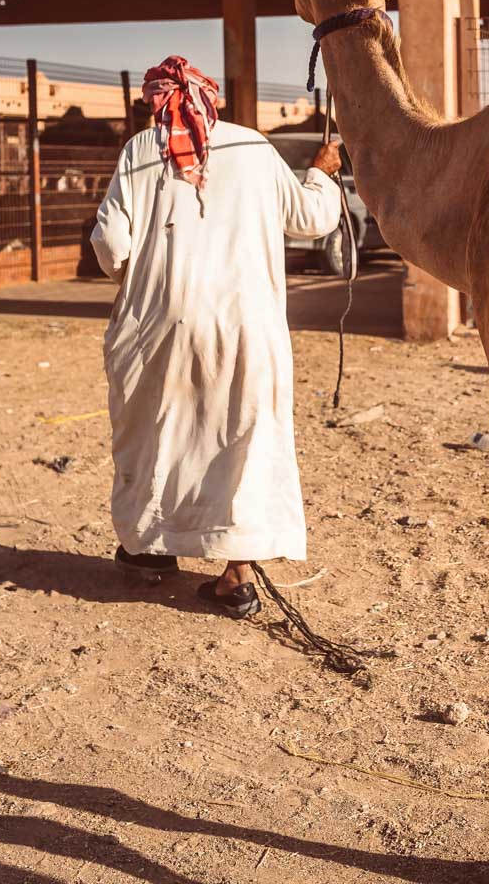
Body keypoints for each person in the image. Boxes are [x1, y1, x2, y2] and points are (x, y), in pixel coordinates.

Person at [91, 56, 341, 618]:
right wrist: (321, 172)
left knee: (157, 434)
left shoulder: (141, 149)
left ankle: (148, 551)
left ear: (156, 99)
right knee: (241, 438)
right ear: (210, 99)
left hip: (158, 326)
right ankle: (237, 574)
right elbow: (311, 219)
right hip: (245, 326)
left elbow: (110, 243)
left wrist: (133, 275)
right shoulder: (253, 146)